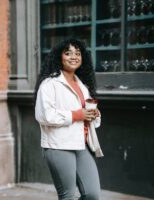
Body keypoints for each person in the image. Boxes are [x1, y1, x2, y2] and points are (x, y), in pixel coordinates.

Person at [34, 38, 104, 200]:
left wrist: (94, 115)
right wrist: (77, 115)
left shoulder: (82, 85)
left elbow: (88, 116)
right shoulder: (49, 84)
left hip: (81, 144)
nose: (74, 57)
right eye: (68, 53)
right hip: (59, 146)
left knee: (92, 195)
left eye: (78, 53)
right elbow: (44, 115)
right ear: (59, 57)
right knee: (68, 196)